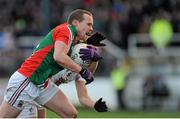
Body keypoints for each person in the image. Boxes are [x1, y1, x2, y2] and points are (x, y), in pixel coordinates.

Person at [0, 9, 107, 118]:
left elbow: (88, 70)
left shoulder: (73, 39)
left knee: (70, 114)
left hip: (42, 83)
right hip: (27, 80)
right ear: (75, 23)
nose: (91, 28)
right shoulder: (66, 30)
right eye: (89, 24)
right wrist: (82, 71)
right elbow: (59, 56)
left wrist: (91, 49)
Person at [18, 52, 108, 118]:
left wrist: (95, 105)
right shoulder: (61, 59)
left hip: (43, 92)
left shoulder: (80, 72)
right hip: (30, 89)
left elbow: (83, 98)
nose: (86, 64)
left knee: (71, 115)